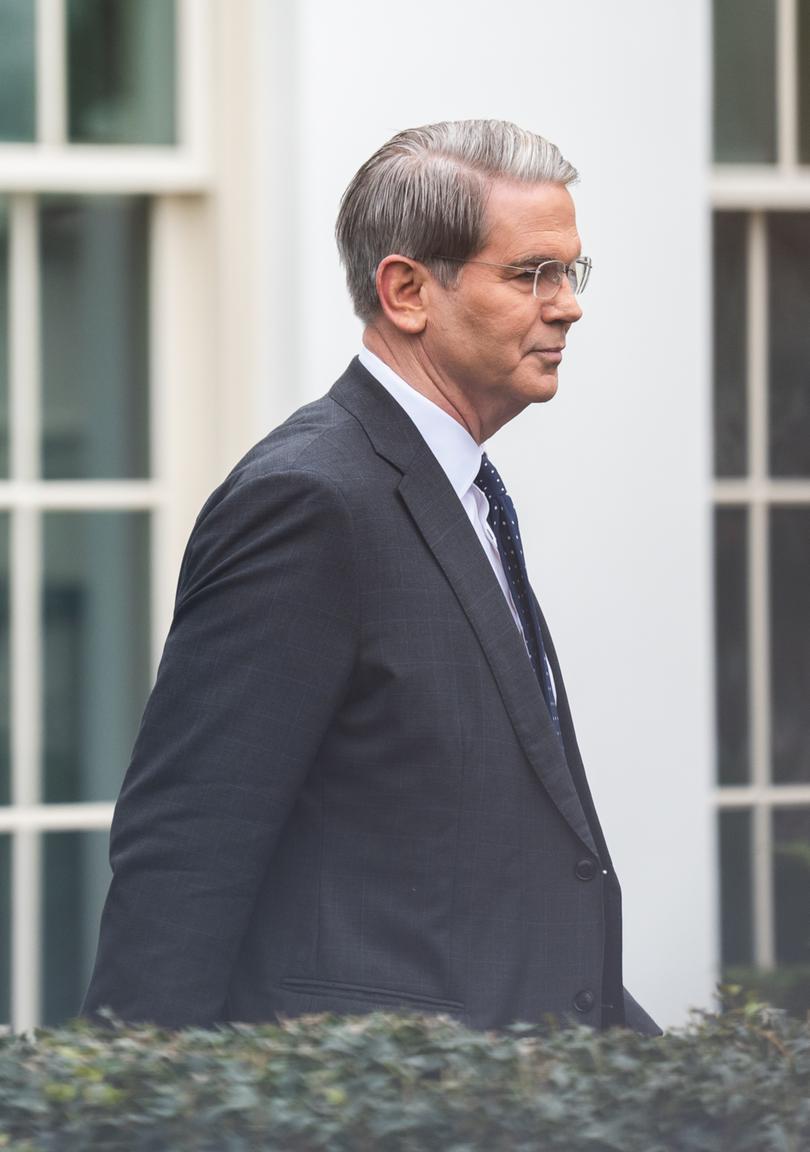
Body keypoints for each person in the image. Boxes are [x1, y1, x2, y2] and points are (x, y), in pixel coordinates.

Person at [83, 119, 660, 1036]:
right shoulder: (309, 502)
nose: (568, 306)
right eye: (530, 274)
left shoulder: (460, 486)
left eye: (570, 273)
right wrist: (121, 1116)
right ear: (405, 291)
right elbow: (187, 856)